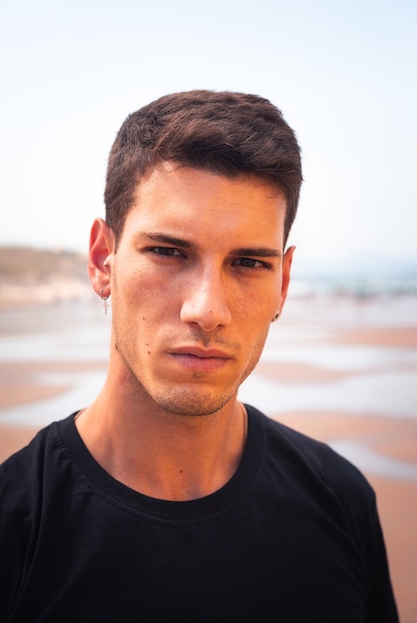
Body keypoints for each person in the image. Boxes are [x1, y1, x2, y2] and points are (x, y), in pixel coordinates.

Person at [0, 90, 398, 622]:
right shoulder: (16, 524)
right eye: (168, 252)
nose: (207, 310)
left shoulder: (340, 499)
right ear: (102, 260)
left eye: (250, 263)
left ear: (283, 282)